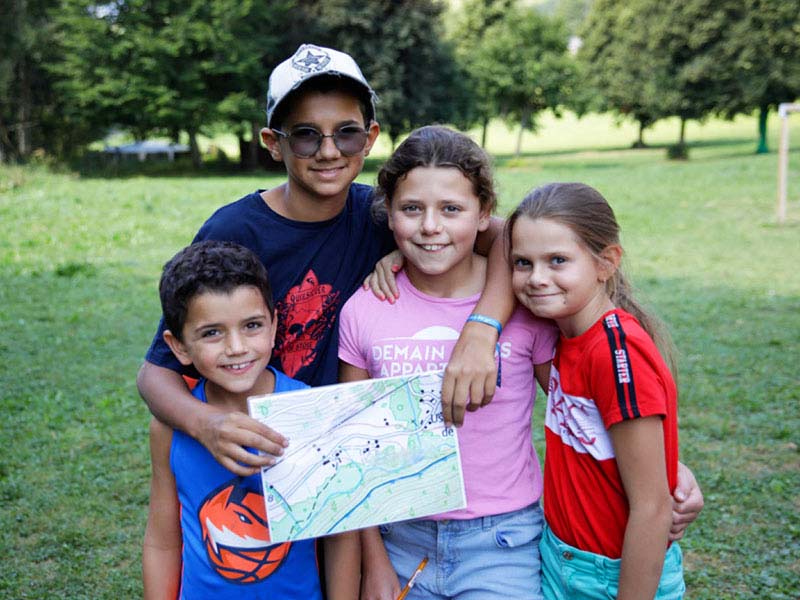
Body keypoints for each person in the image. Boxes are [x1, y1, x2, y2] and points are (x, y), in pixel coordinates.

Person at [136, 43, 508, 480]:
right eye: (307, 134)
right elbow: (155, 373)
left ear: (370, 139)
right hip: (262, 454)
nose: (329, 151)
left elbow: (513, 242)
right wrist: (207, 424)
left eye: (346, 132)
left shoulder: (389, 216)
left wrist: (483, 328)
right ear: (274, 144)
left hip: (351, 453)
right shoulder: (234, 232)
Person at [338, 125, 559, 599]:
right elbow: (354, 449)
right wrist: (373, 563)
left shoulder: (523, 305)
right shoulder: (366, 308)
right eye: (411, 209)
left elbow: (574, 412)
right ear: (390, 215)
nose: (430, 226)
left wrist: (659, 470)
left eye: (452, 209)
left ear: (484, 215)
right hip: (399, 540)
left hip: (503, 542)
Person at [507, 182, 686, 599]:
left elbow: (653, 507)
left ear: (605, 263)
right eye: (522, 262)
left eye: (557, 261)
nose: (537, 278)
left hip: (611, 576)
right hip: (558, 559)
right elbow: (476, 230)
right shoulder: (563, 334)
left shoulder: (614, 352)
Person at [142, 240, 341, 599]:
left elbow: (341, 532)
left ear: (274, 323)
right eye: (212, 333)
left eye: (252, 325)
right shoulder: (169, 428)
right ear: (178, 346)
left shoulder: (312, 411)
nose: (236, 347)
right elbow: (162, 542)